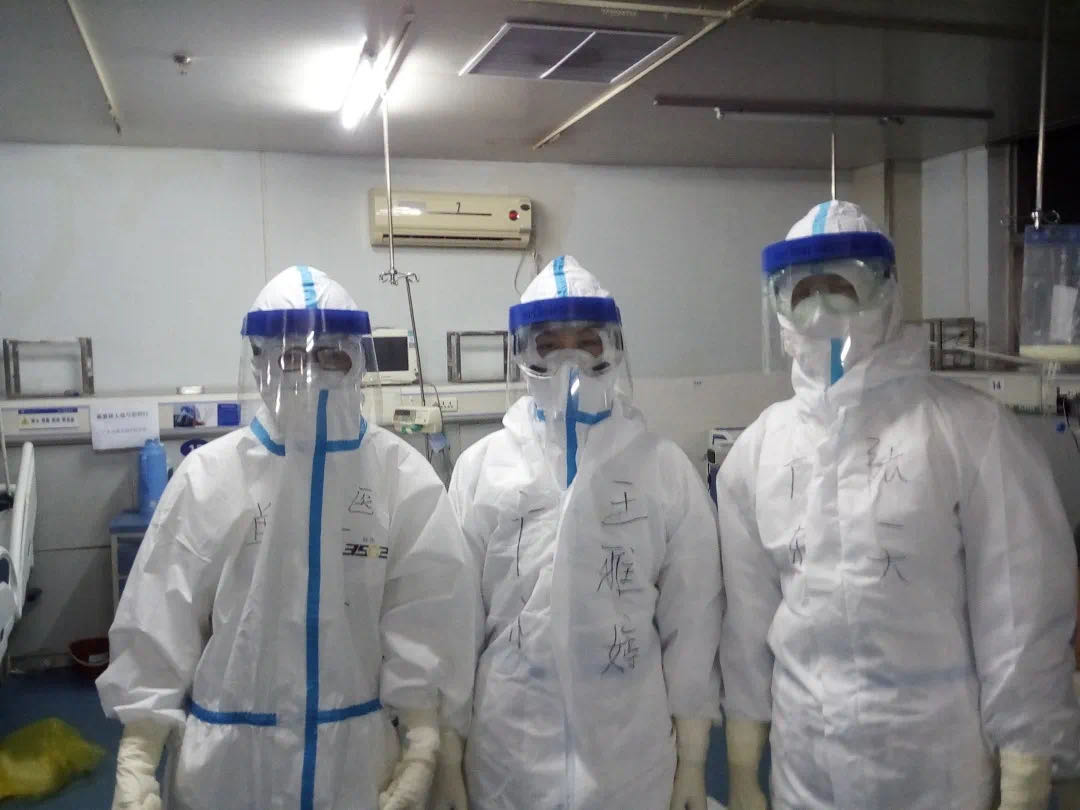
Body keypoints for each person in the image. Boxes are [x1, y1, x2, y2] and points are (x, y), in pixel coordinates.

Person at [717, 200, 1080, 810]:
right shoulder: (758, 452)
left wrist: (1025, 769)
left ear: (885, 294)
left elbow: (1019, 615)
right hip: (807, 773)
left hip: (937, 770)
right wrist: (742, 762)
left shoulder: (971, 432)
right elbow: (746, 625)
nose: (822, 310)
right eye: (804, 292)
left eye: (842, 288)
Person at [97, 266, 477, 810]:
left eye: (330, 356)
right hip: (232, 766)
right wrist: (138, 759)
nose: (310, 374)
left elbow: (426, 616)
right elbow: (159, 620)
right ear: (259, 362)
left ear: (357, 360)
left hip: (355, 762)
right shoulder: (211, 477)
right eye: (291, 357)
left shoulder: (400, 477)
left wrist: (423, 745)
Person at [445, 255, 723, 810]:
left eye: (586, 343)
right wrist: (447, 753)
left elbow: (693, 620)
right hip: (510, 751)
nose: (568, 360)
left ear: (612, 349)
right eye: (549, 345)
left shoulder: (662, 467)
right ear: (523, 352)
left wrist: (693, 759)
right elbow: (455, 621)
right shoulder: (482, 469)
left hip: (629, 753)